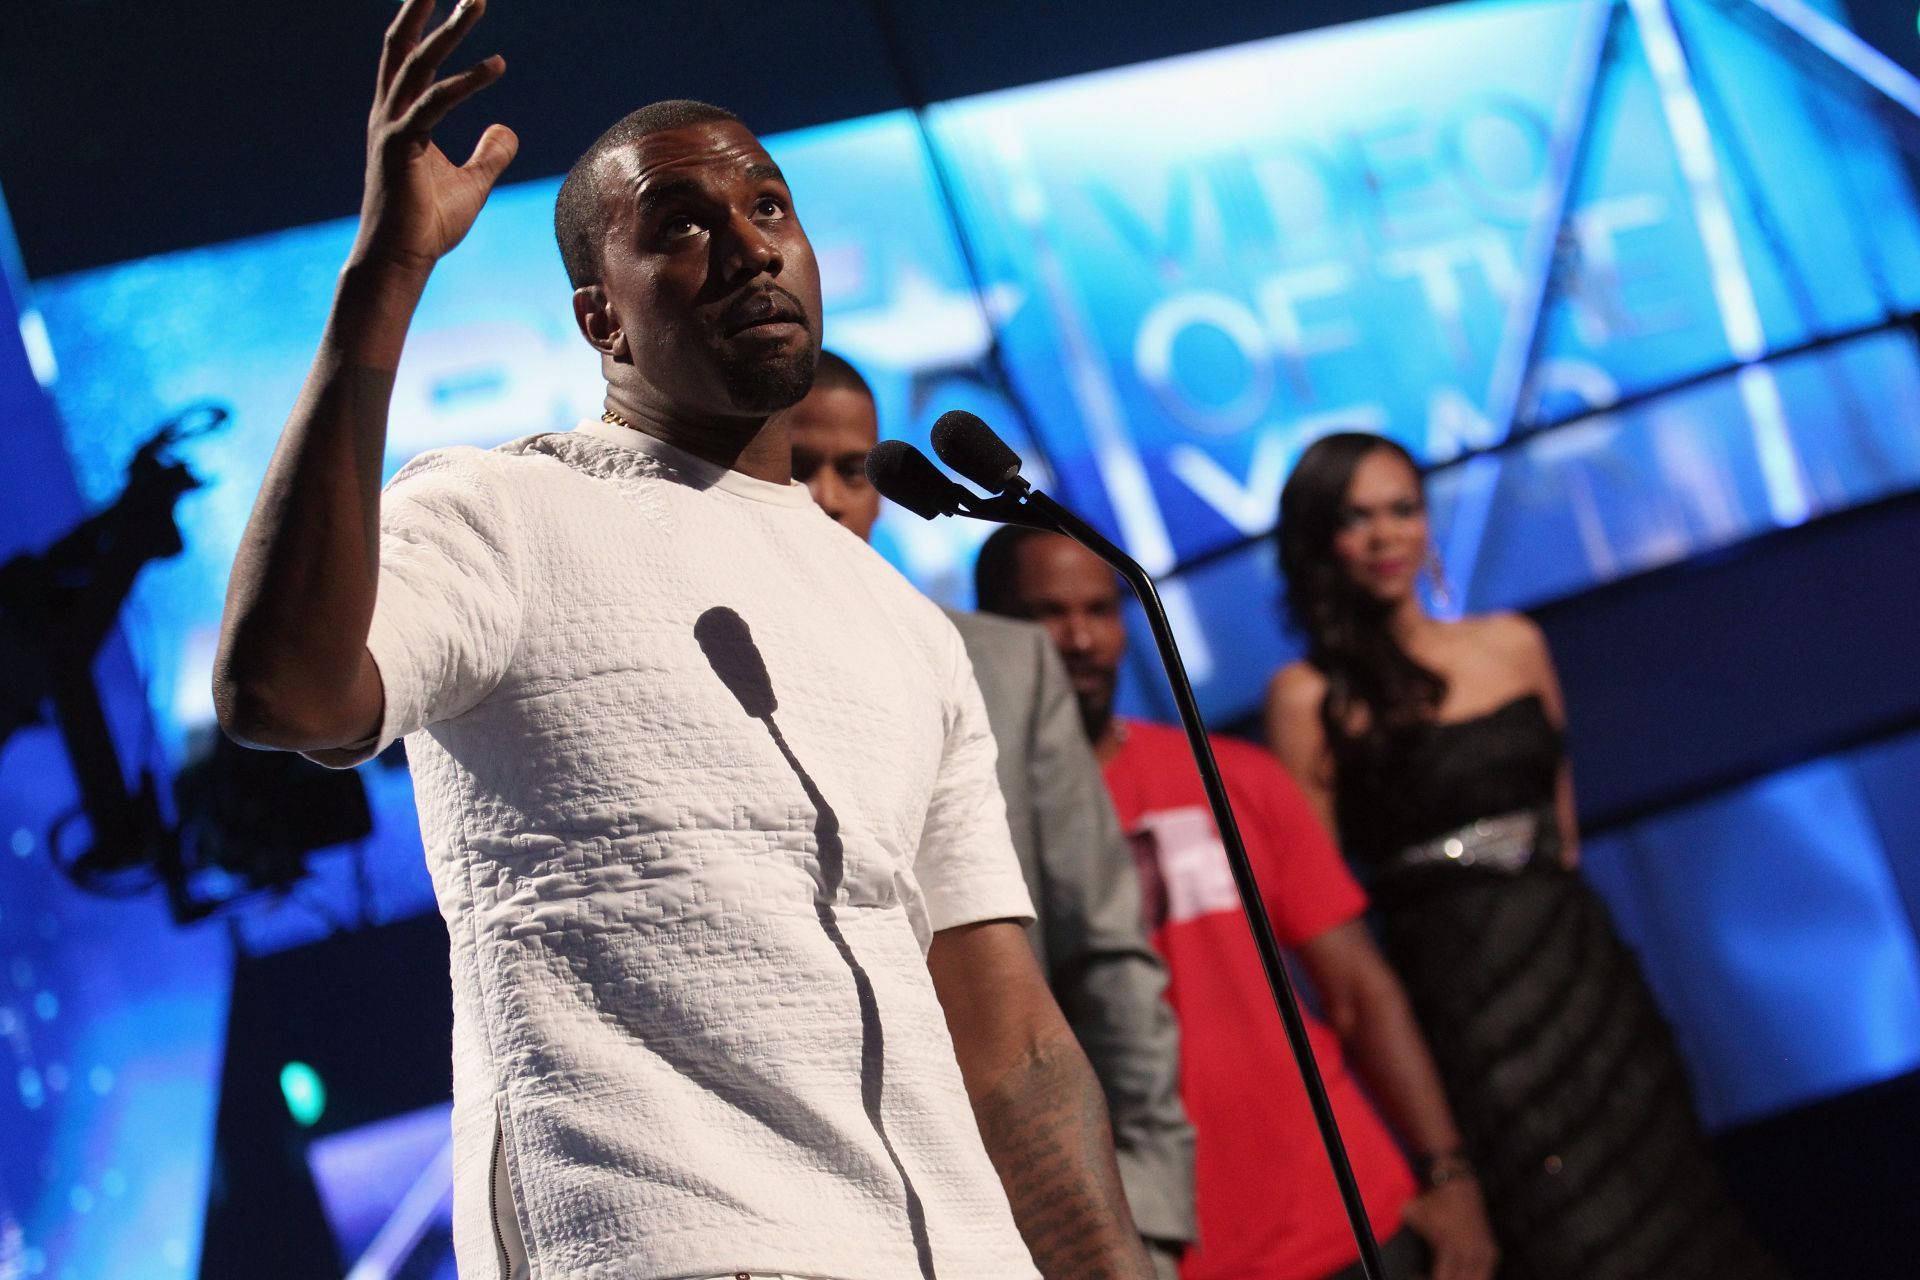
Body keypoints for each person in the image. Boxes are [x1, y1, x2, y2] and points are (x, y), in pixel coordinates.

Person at [210, 4, 1153, 1277]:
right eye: (682, 226)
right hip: (674, 1240)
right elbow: (283, 690)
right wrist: (383, 279)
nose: (750, 249)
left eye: (768, 208)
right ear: (603, 320)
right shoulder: (505, 509)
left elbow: (1016, 1043)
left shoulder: (906, 627)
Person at [1264, 431, 1783, 1279]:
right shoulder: (1307, 699)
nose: (1388, 535)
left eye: (1404, 509)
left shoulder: (1512, 643)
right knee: (1567, 1238)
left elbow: (1561, 834)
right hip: (1464, 1013)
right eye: (1358, 519)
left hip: (1586, 985)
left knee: (1677, 1217)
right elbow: (1328, 923)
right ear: (1319, 541)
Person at [975, 527, 1499, 1280]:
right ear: (991, 631)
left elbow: (1357, 988)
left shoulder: (1230, 775)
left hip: (1356, 1213)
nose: (1082, 638)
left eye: (1100, 609)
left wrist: (1449, 1175)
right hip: (1174, 1251)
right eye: (1048, 613)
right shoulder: (981, 829)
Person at [783, 353, 1197, 1277]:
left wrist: (1152, 1209)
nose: (831, 496)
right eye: (798, 464)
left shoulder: (1001, 663)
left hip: (1049, 1185)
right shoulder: (711, 668)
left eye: (854, 469)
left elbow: (1108, 955)